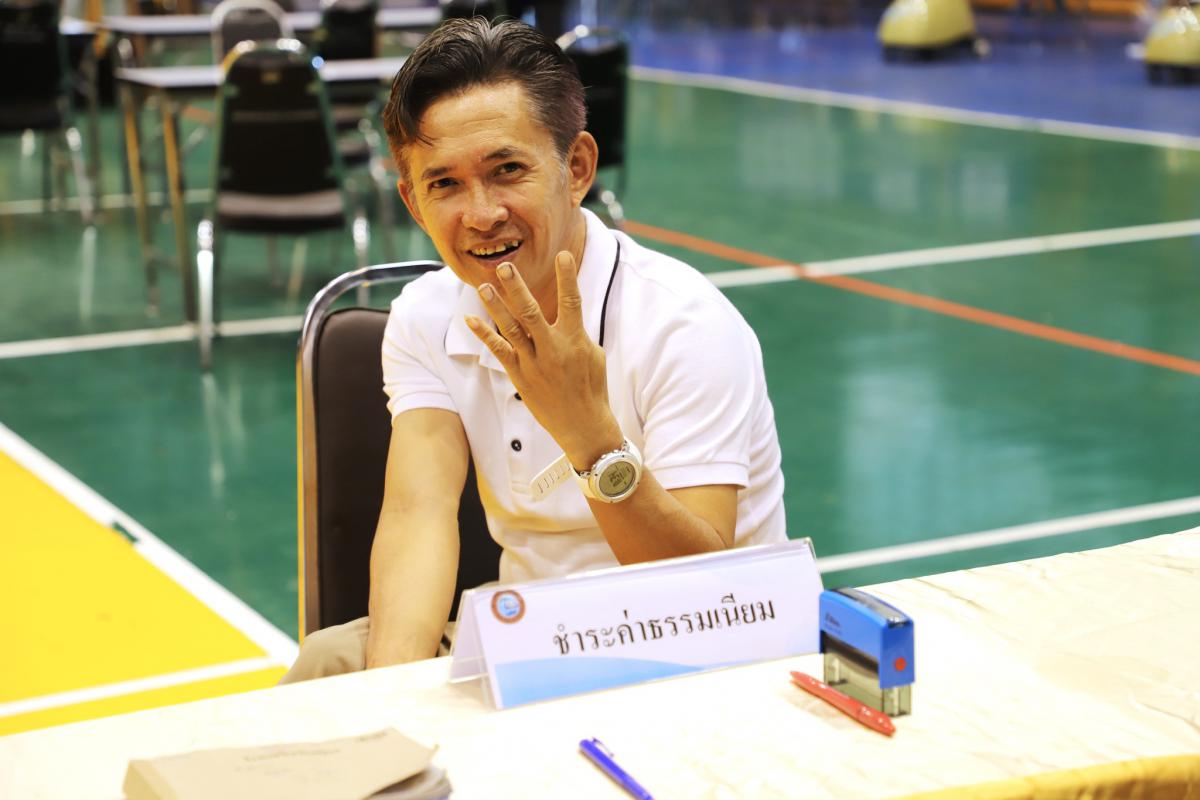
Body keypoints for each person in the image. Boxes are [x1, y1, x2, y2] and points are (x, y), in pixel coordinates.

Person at [280, 17, 786, 683]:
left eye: (508, 170)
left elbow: (699, 589)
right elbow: (417, 516)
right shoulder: (425, 317)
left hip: (695, 655)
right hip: (534, 639)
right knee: (330, 664)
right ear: (413, 202)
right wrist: (393, 696)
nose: (481, 213)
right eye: (444, 184)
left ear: (576, 168)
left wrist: (589, 437)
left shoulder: (684, 324)